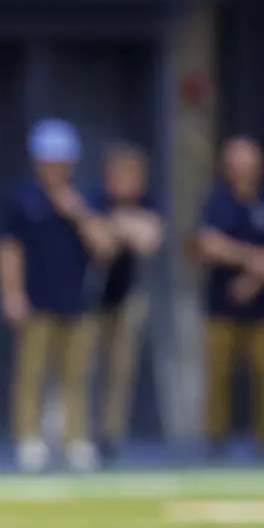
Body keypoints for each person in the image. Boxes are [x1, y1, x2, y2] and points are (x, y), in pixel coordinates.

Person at [0, 118, 117, 472]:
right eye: (48, 162)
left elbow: (106, 247)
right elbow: (10, 250)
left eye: (60, 162)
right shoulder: (23, 199)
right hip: (36, 300)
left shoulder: (88, 198)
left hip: (78, 302)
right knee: (31, 375)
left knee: (76, 376)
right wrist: (12, 293)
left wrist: (76, 211)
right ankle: (28, 439)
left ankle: (75, 439)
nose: (54, 169)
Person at [196, 136, 264, 458]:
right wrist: (253, 259)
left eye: (247, 163)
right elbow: (209, 244)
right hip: (222, 306)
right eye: (235, 163)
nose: (241, 169)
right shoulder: (216, 202)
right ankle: (216, 440)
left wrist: (253, 279)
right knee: (218, 376)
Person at [94, 143, 164, 460]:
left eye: (132, 174)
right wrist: (120, 229)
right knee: (84, 368)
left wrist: (119, 228)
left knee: (120, 370)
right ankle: (77, 433)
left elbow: (149, 240)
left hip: (127, 296)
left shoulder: (147, 203)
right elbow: (102, 246)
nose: (126, 180)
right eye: (120, 173)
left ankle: (110, 434)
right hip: (89, 298)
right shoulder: (96, 200)